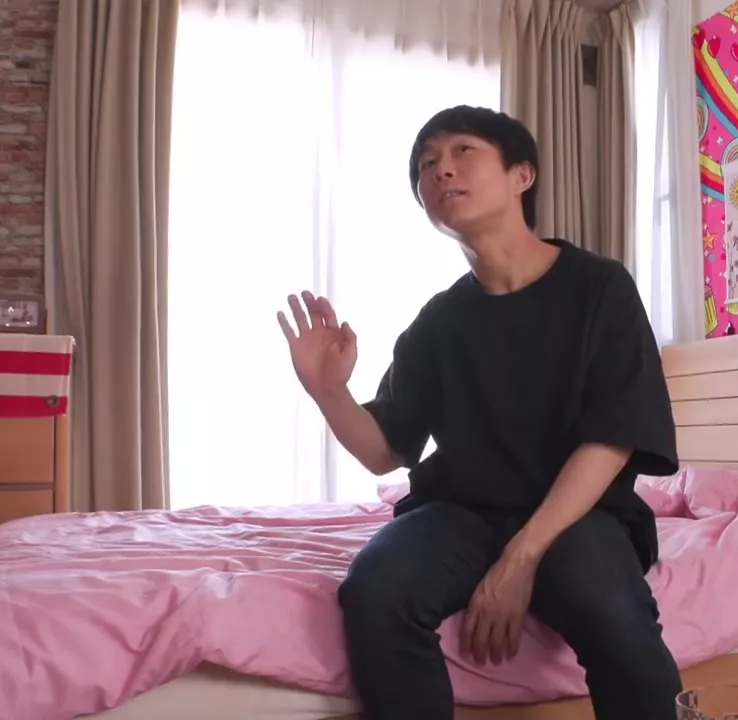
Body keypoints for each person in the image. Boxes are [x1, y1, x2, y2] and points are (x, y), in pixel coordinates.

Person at [275, 105, 684, 720]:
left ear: (523, 175)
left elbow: (613, 437)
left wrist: (521, 557)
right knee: (377, 591)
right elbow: (386, 449)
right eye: (426, 165)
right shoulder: (439, 321)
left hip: (579, 514)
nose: (440, 170)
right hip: (460, 511)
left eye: (462, 151)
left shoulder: (599, 288)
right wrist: (327, 391)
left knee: (605, 601)